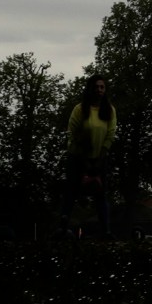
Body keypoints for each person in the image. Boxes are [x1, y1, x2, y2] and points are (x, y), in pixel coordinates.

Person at [62, 75, 117, 239]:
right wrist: (85, 162)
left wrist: (99, 161)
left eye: (102, 87)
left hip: (99, 159)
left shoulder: (109, 110)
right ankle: (62, 228)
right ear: (90, 89)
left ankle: (106, 231)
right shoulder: (79, 109)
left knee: (101, 195)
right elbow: (73, 133)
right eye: (96, 87)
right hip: (78, 158)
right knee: (70, 193)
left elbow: (110, 134)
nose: (99, 90)